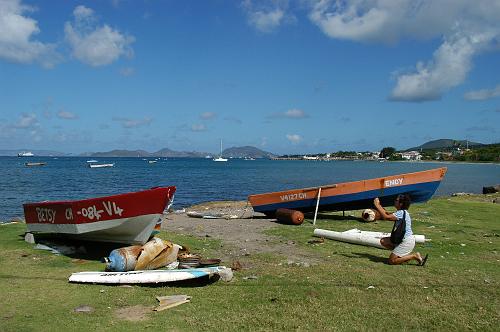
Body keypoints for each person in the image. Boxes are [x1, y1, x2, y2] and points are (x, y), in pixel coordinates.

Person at [373, 194, 428, 266]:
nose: (394, 201)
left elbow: (386, 217)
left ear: (401, 203)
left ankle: (414, 256)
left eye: (396, 200)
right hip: (402, 239)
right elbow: (386, 213)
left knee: (391, 261)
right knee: (383, 241)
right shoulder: (402, 212)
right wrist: (379, 205)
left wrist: (376, 205)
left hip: (406, 241)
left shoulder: (401, 213)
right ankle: (401, 255)